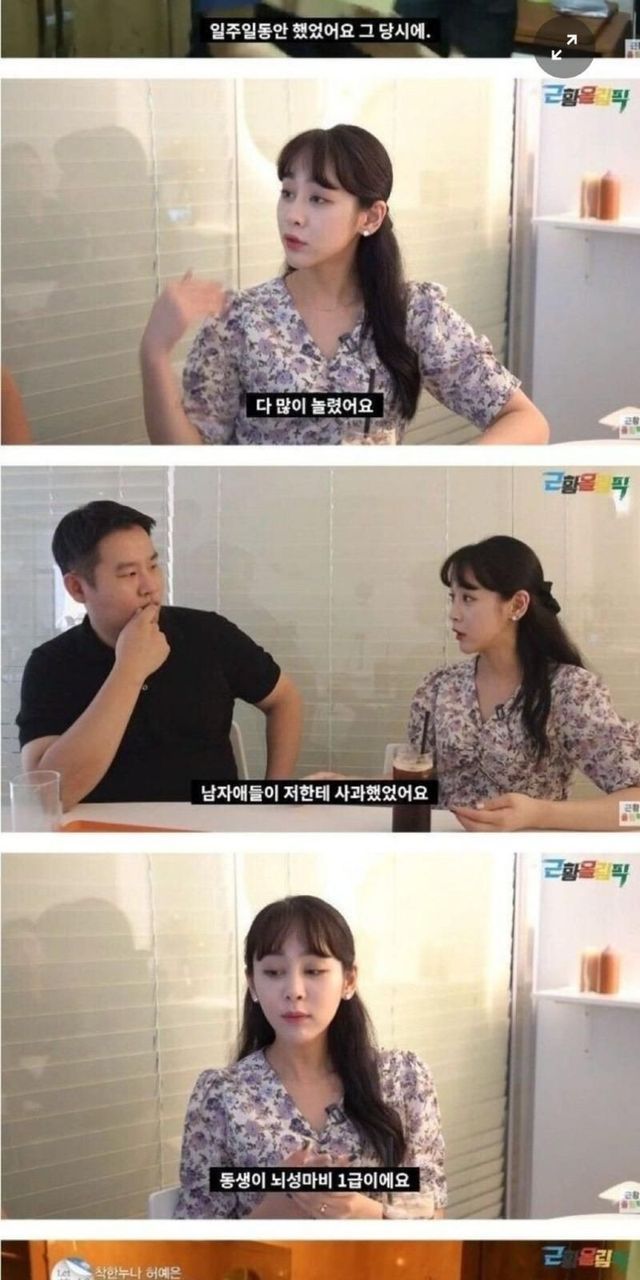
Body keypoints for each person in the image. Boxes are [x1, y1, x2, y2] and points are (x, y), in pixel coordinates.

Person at [140, 124, 549, 446]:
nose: (293, 215)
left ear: (370, 217)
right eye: (287, 193)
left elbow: (525, 420)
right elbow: (189, 455)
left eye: (318, 199)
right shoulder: (240, 320)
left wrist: (448, 469)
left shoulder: (414, 313)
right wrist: (154, 353)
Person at [16, 501, 302, 810]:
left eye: (152, 566)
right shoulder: (50, 664)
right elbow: (49, 796)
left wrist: (274, 794)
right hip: (105, 827)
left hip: (211, 820)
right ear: (77, 588)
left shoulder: (208, 634)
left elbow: (284, 698)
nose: (150, 586)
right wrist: (129, 670)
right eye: (129, 574)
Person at [175, 895, 446, 1218]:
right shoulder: (221, 1095)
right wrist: (276, 1208)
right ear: (252, 984)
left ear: (348, 980)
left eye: (314, 970)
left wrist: (367, 1213)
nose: (294, 990)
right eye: (273, 972)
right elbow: (196, 1234)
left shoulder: (403, 1078)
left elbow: (432, 1217)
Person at [408, 536, 640, 831]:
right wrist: (351, 791)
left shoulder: (570, 690)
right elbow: (416, 789)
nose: (453, 613)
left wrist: (539, 814)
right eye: (452, 598)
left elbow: (635, 812)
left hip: (529, 856)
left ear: (517, 604)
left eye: (468, 598)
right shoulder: (439, 686)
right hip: (441, 853)